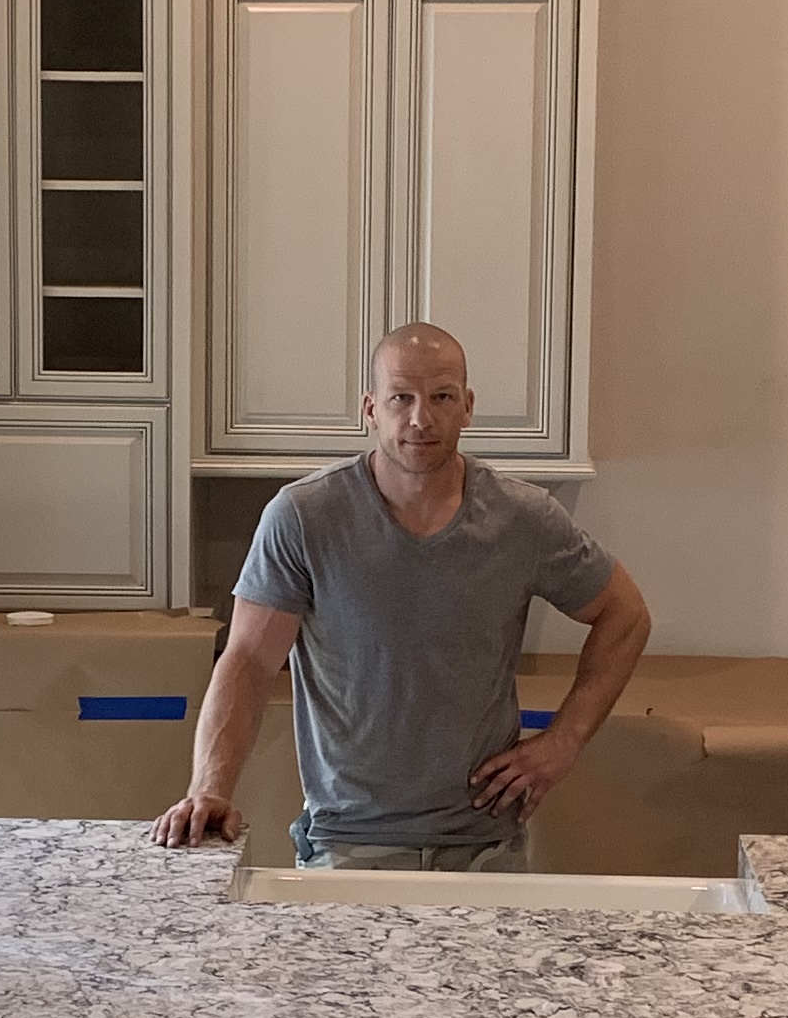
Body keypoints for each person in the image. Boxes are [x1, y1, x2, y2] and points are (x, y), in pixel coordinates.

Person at [152, 321, 651, 868]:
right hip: (348, 841)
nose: (421, 418)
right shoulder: (304, 518)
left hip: (485, 842)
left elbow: (624, 614)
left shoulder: (522, 519)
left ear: (468, 406)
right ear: (371, 408)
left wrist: (564, 741)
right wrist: (209, 788)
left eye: (442, 397)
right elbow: (248, 661)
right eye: (401, 398)